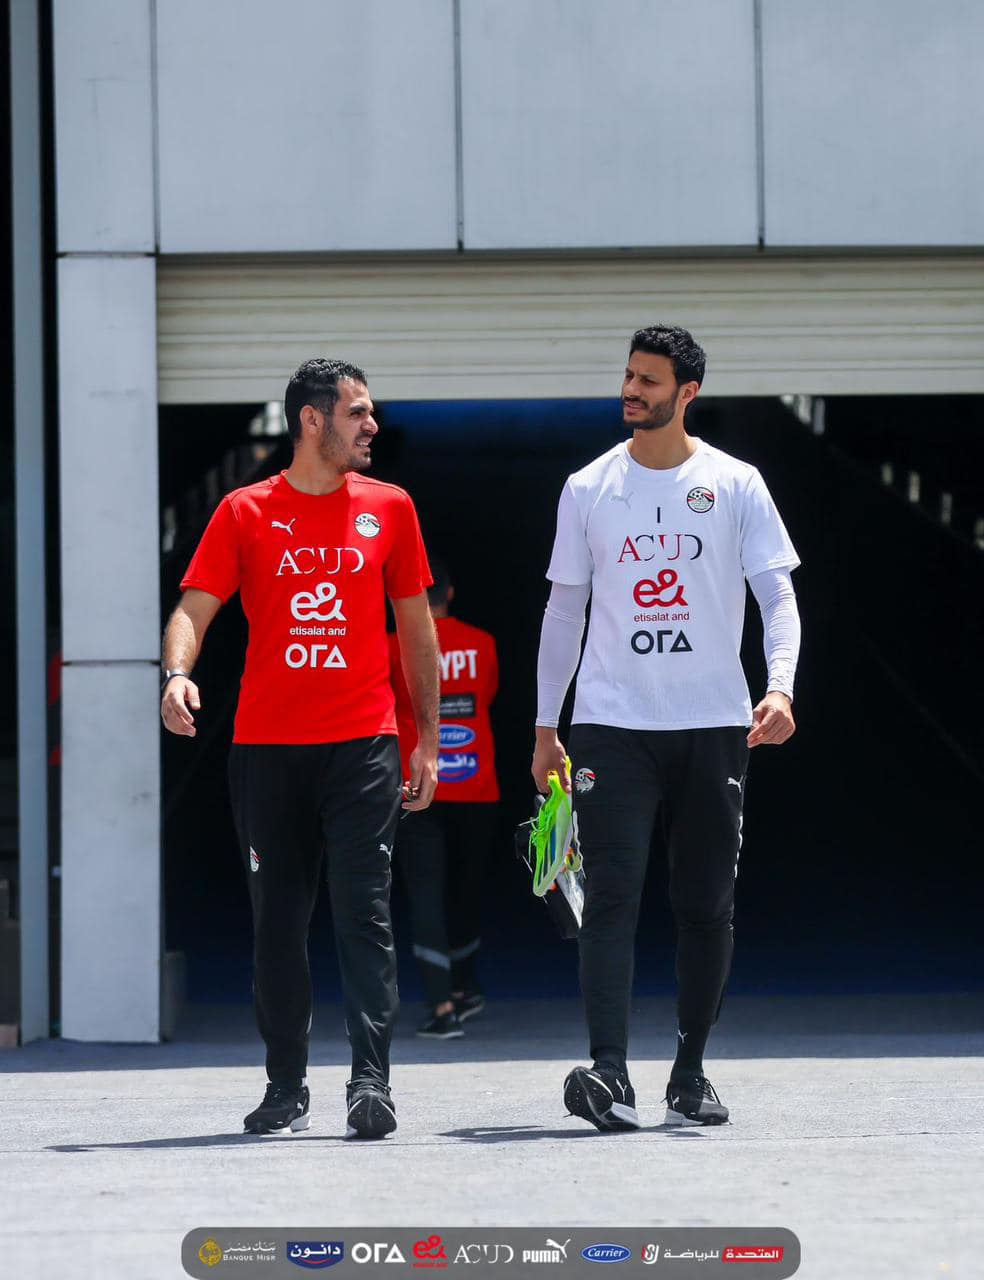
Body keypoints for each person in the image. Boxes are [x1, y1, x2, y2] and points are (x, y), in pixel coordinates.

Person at [161, 358, 438, 1140]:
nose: (372, 425)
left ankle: (371, 1083)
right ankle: (286, 1086)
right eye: (358, 412)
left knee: (365, 913)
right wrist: (177, 675)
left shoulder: (390, 507)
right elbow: (193, 610)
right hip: (267, 749)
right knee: (278, 924)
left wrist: (424, 741)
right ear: (312, 421)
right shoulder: (244, 511)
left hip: (364, 744)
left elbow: (416, 629)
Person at [532, 325, 800, 1131]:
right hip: (611, 723)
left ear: (687, 393)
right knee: (611, 895)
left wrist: (780, 687)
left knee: (705, 904)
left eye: (648, 380)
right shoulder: (588, 487)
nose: (631, 390)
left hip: (713, 724)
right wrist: (546, 725)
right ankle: (609, 1072)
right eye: (629, 375)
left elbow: (776, 597)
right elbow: (564, 610)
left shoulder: (736, 483)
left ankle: (690, 1071)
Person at [389, 558, 500, 1039]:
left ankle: (441, 1007)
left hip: (418, 784)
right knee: (467, 888)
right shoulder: (483, 643)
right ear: (450, 593)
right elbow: (488, 693)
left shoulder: (393, 645)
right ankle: (466, 987)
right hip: (477, 784)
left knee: (425, 895)